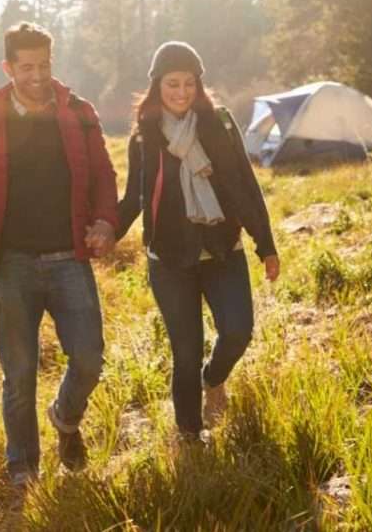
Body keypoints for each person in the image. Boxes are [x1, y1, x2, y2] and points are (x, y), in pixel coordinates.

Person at [0, 22, 119, 485]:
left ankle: (65, 419)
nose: (37, 75)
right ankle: (22, 464)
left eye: (44, 65)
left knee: (89, 358)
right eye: (26, 67)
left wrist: (106, 221)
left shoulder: (78, 111)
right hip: (12, 265)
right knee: (19, 373)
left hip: (70, 257)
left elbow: (105, 176)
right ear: (8, 67)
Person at [114, 41, 279, 442]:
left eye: (189, 83)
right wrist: (107, 234)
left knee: (238, 331)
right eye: (173, 83)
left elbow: (244, 184)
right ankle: (189, 436)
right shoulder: (144, 137)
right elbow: (135, 196)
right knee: (185, 352)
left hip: (222, 247)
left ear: (199, 85)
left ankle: (215, 379)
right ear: (158, 84)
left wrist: (266, 244)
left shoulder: (218, 123)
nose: (182, 92)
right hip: (170, 257)